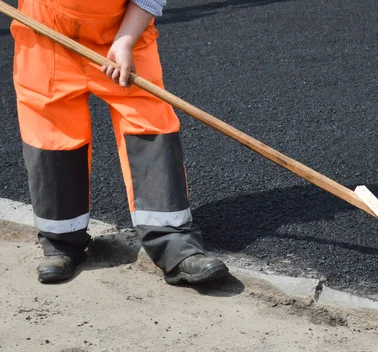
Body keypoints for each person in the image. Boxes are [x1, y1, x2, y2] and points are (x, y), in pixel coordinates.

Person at [9, 0, 229, 285]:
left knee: (149, 127)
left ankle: (175, 245)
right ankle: (60, 243)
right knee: (53, 135)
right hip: (44, 34)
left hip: (122, 32)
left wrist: (125, 42)